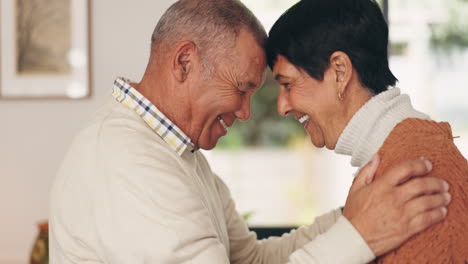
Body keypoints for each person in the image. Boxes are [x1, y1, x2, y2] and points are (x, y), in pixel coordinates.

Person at [49, 0, 451, 263]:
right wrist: (359, 235)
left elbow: (252, 261)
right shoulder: (127, 161)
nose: (246, 112)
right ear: (185, 62)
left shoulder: (177, 156)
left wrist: (353, 215)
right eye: (242, 88)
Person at [267, 0, 468, 263]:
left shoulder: (412, 177)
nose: (281, 106)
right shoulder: (403, 153)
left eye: (288, 84)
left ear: (340, 71)